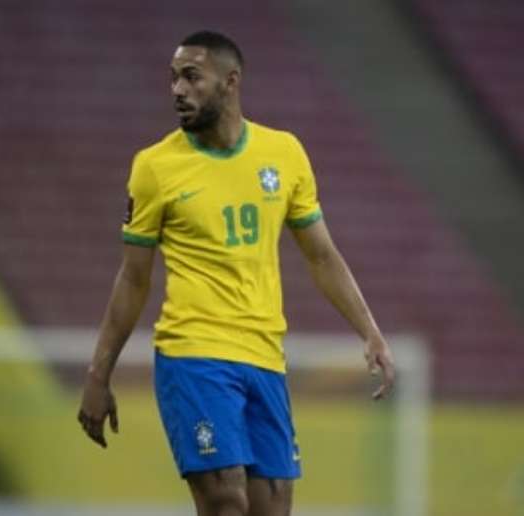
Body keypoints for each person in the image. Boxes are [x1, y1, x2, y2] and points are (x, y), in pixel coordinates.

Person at [78, 30, 395, 516]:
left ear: (230, 82)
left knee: (272, 509)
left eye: (191, 77)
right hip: (194, 354)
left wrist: (370, 331)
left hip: (264, 357)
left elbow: (321, 256)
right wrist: (99, 374)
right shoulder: (155, 168)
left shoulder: (284, 154)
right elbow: (133, 279)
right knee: (227, 501)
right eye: (173, 79)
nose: (177, 90)